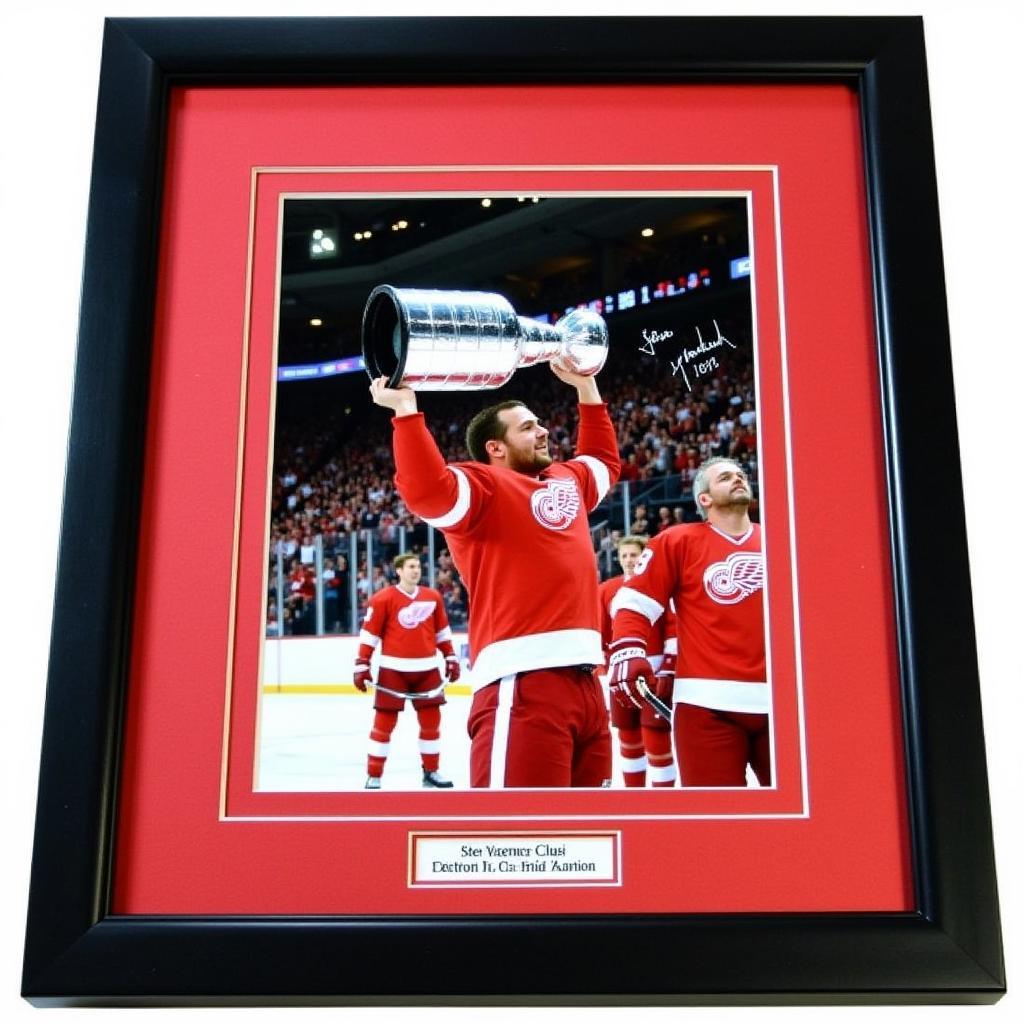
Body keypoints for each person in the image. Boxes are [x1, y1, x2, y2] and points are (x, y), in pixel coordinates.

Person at [370, 356, 620, 788]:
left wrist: (586, 389)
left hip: (587, 681)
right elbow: (427, 491)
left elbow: (603, 463)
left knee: (585, 840)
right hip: (522, 681)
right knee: (519, 834)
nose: (543, 430)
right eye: (527, 427)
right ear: (495, 447)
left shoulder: (567, 479)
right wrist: (406, 412)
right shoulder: (482, 485)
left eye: (538, 423)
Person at [608, 456, 769, 787]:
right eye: (725, 477)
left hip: (783, 698)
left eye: (740, 475)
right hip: (706, 704)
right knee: (718, 823)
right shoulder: (677, 540)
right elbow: (635, 601)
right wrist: (628, 648)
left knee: (797, 824)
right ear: (704, 499)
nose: (738, 479)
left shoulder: (782, 540)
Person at [353, 552, 462, 789]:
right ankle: (374, 774)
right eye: (411, 567)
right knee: (384, 724)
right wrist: (362, 663)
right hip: (394, 671)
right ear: (399, 571)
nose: (416, 571)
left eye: (418, 567)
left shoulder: (433, 597)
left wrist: (450, 657)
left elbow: (442, 632)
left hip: (427, 670)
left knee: (432, 723)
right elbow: (370, 634)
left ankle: (431, 772)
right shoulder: (383, 599)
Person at [597, 535, 676, 787]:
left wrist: (668, 669)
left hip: (654, 675)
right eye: (625, 556)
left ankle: (664, 808)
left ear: (644, 558)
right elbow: (601, 633)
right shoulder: (606, 590)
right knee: (628, 738)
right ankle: (635, 798)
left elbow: (673, 631)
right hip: (620, 676)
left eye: (635, 555)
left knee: (657, 741)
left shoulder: (660, 587)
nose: (630, 560)